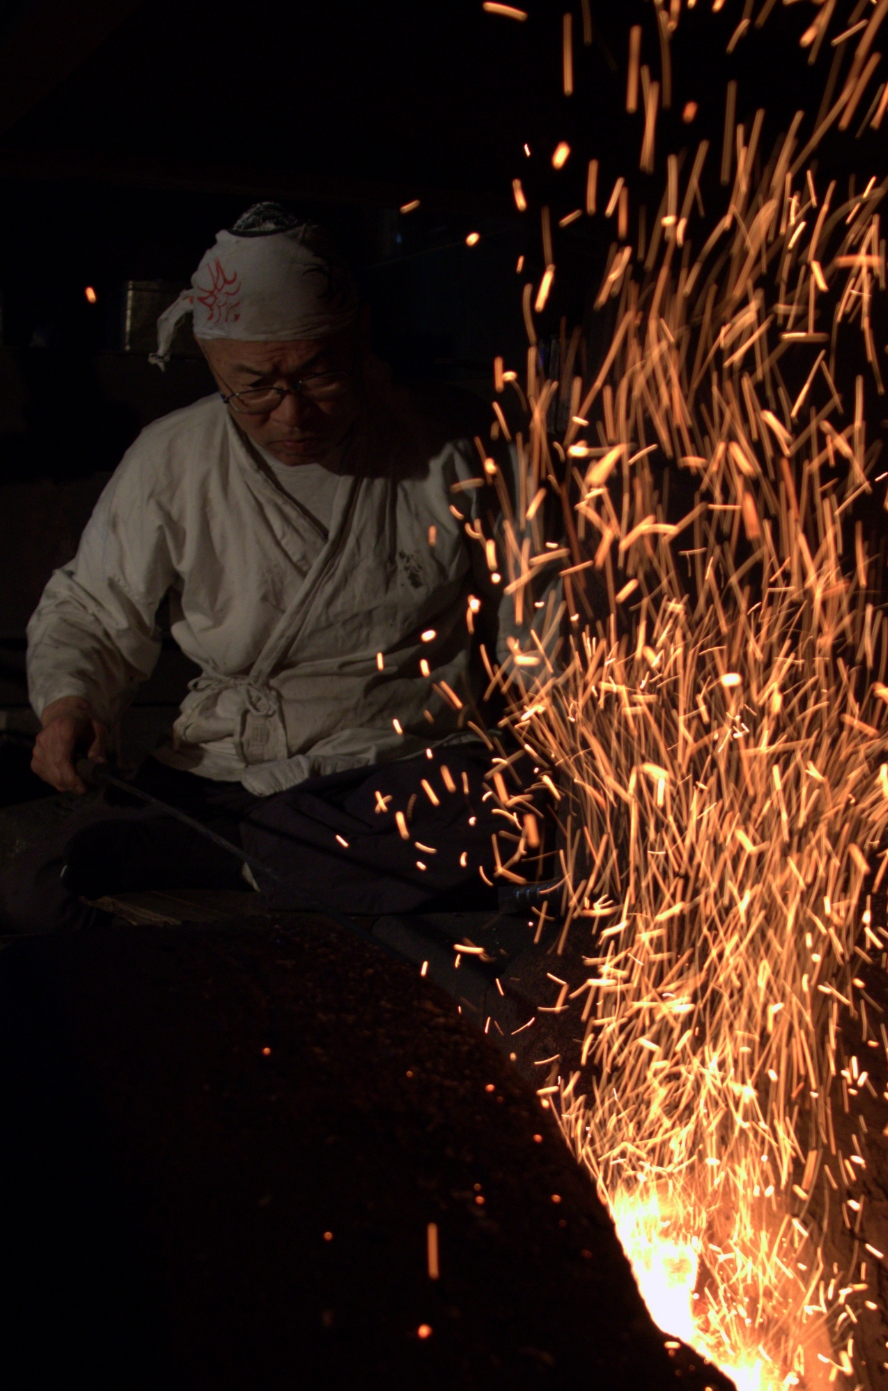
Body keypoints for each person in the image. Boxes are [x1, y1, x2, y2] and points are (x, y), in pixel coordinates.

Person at [2, 204, 559, 932]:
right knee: (39, 885)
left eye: (317, 374)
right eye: (256, 387)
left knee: (516, 827)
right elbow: (93, 614)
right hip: (227, 773)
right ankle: (282, 869)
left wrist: (574, 744)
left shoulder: (457, 444)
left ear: (357, 339)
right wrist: (71, 704)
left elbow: (543, 621)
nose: (292, 414)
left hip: (401, 766)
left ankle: (254, 865)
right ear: (213, 363)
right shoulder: (172, 459)